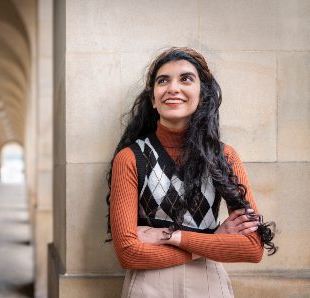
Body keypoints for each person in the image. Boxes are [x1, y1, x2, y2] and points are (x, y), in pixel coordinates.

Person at [106, 47, 277, 298]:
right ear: (153, 99)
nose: (173, 88)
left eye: (186, 79)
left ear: (202, 95)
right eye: (163, 80)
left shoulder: (224, 157)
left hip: (208, 285)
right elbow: (129, 253)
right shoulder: (131, 158)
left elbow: (252, 248)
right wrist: (212, 241)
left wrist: (171, 236)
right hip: (147, 285)